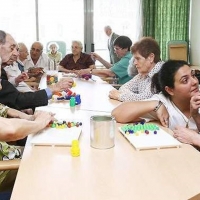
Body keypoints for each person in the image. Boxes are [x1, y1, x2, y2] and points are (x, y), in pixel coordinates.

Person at [112, 60, 200, 134]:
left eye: (193, 75)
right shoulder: (164, 103)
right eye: (185, 80)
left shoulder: (197, 92)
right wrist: (156, 105)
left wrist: (196, 116)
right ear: (170, 90)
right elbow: (116, 114)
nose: (195, 82)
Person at [0, 30, 74, 110]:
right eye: (12, 48)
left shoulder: (3, 71)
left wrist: (17, 80)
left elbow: (8, 98)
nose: (17, 54)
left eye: (17, 50)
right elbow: (17, 100)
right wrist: (53, 88)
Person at [109, 37, 164, 102]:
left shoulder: (161, 73)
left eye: (138, 59)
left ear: (151, 57)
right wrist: (132, 97)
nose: (134, 63)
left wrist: (119, 96)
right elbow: (123, 88)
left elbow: (145, 100)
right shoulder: (143, 73)